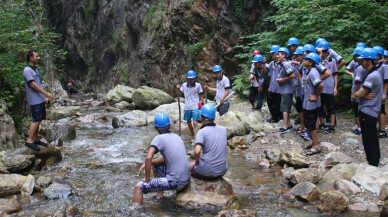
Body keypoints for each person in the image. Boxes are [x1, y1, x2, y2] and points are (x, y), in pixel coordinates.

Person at [133, 112, 190, 206]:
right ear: (169, 125)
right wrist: (151, 163)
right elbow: (165, 159)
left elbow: (148, 158)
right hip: (186, 179)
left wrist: (147, 179)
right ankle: (159, 196)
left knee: (138, 187)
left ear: (156, 128)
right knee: (156, 166)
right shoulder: (177, 137)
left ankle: (134, 211)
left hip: (177, 182)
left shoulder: (158, 138)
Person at [355, 48, 383, 167]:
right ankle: (374, 160)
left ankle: (373, 163)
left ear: (369, 61)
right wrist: (364, 95)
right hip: (370, 110)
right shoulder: (373, 73)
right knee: (371, 137)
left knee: (368, 139)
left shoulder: (372, 76)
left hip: (368, 111)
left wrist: (362, 95)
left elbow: (357, 94)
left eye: (363, 60)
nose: (361, 62)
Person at [23, 50, 55, 151]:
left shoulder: (35, 69)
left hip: (39, 99)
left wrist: (44, 98)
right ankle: (30, 141)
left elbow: (38, 83)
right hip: (34, 99)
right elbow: (32, 85)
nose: (39, 58)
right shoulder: (27, 70)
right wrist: (46, 93)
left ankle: (36, 139)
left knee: (39, 119)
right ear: (31, 58)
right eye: (36, 56)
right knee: (36, 119)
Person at [190, 104, 228, 180]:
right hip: (222, 170)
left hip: (207, 172)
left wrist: (196, 162)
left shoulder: (201, 132)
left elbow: (197, 151)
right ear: (214, 118)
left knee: (188, 164)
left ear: (201, 117)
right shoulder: (223, 129)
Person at [302, 53, 324, 155]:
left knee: (311, 124)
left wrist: (316, 96)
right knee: (308, 123)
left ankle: (316, 145)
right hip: (307, 102)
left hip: (312, 104)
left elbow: (320, 84)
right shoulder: (309, 71)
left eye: (306, 60)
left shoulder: (313, 72)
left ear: (310, 62)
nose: (304, 61)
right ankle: (314, 142)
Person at [316, 41, 338, 133]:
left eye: (323, 51)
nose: (321, 53)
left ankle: (332, 126)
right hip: (320, 88)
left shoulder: (332, 61)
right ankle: (321, 124)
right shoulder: (317, 61)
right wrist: (319, 56)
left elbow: (335, 74)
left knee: (331, 107)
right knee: (320, 107)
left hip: (329, 88)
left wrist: (335, 87)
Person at [177, 70, 205, 137]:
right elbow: (179, 95)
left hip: (195, 106)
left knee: (195, 122)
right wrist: (178, 89)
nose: (191, 80)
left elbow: (201, 95)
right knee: (188, 123)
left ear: (194, 78)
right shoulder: (184, 85)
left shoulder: (198, 85)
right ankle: (192, 134)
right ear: (187, 79)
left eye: (192, 79)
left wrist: (204, 103)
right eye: (189, 79)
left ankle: (195, 137)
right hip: (187, 107)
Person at [276, 47, 296, 133]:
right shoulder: (283, 64)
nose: (277, 56)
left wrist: (283, 80)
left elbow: (292, 75)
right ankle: (288, 124)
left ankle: (285, 126)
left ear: (284, 55)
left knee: (285, 108)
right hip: (284, 89)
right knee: (284, 107)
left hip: (287, 90)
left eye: (279, 54)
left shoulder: (286, 64)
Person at [349, 47, 365, 135]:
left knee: (357, 111)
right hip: (362, 92)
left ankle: (360, 128)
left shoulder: (359, 68)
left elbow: (358, 82)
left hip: (358, 92)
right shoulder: (363, 67)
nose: (353, 58)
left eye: (354, 56)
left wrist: (354, 93)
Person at [373, 46, 388, 138]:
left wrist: (384, 93)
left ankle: (382, 129)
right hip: (375, 91)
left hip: (381, 91)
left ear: (378, 55)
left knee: (382, 109)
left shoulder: (383, 66)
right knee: (377, 110)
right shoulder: (375, 65)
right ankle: (379, 127)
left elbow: (386, 81)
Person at [266, 45, 282, 123]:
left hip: (279, 88)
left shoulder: (283, 63)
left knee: (278, 104)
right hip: (272, 87)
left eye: (272, 53)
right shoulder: (271, 63)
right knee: (270, 102)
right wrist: (263, 63)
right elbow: (266, 71)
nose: (271, 55)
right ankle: (274, 117)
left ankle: (279, 117)